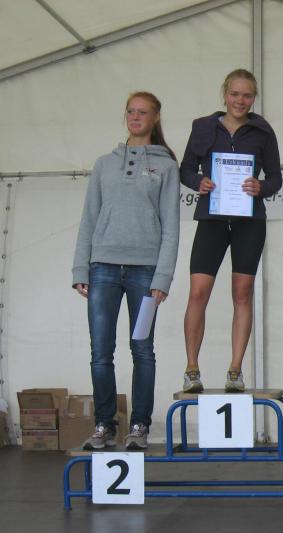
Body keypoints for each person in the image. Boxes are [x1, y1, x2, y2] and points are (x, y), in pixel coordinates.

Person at [72, 91, 180, 451]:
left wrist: (162, 277)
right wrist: (81, 268)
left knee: (142, 349)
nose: (136, 117)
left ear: (155, 118)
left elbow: (171, 226)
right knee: (100, 352)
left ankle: (139, 425)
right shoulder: (104, 164)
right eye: (131, 111)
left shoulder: (166, 166)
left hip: (145, 273)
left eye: (143, 112)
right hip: (102, 269)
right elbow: (89, 218)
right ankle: (104, 424)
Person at [180, 68, 282, 393]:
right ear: (225, 94)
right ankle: (192, 369)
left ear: (254, 98)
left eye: (247, 95)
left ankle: (235, 370)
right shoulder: (203, 126)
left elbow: (276, 178)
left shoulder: (263, 130)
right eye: (235, 94)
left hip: (248, 221)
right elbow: (185, 169)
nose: (240, 100)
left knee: (242, 293)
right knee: (198, 292)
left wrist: (261, 187)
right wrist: (199, 181)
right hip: (211, 218)